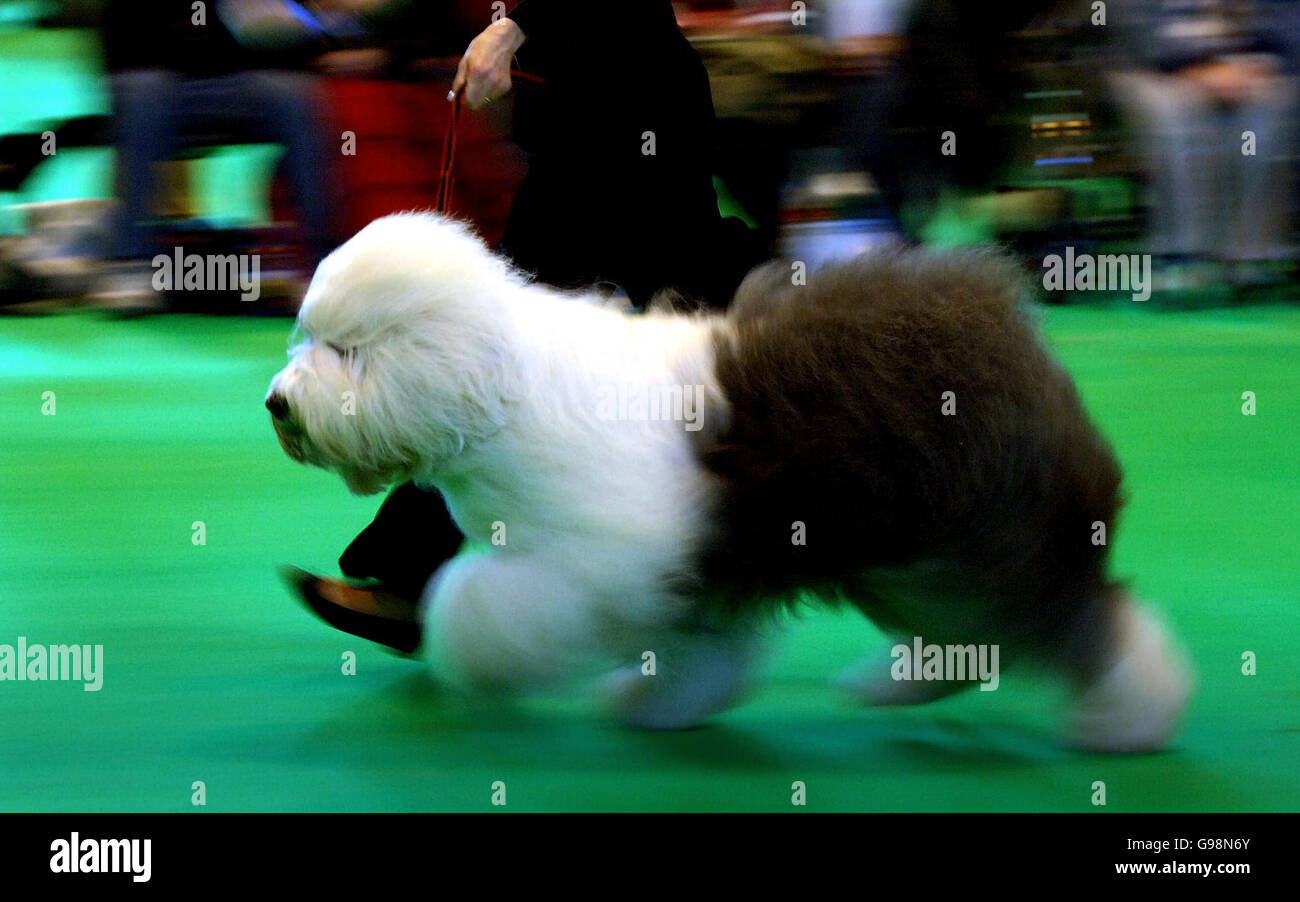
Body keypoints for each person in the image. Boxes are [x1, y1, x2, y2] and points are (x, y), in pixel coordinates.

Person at [288, 1, 765, 647]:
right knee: (697, 326)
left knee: (508, 347)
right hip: (584, 110)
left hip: (632, 107)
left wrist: (512, 27)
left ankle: (409, 580)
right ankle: (409, 579)